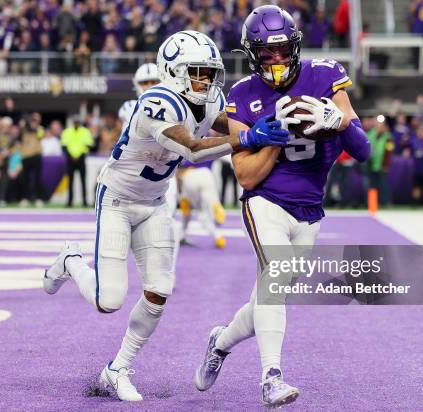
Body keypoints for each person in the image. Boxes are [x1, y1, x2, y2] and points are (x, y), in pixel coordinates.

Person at [43, 30, 289, 402]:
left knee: (159, 292)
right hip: (118, 201)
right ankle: (71, 260)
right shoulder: (155, 102)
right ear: (174, 71)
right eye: (197, 72)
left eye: (210, 73)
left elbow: (228, 125)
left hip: (155, 203)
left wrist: (270, 123)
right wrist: (249, 138)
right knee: (108, 300)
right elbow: (192, 149)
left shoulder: (208, 100)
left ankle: (117, 369)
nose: (205, 81)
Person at [193, 6, 370, 408]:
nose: (276, 60)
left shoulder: (325, 75)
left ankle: (219, 342)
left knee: (267, 298)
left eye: (283, 50)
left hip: (309, 210)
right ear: (252, 54)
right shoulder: (241, 95)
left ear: (296, 46)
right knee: (275, 277)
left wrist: (340, 122)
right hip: (266, 202)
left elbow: (362, 150)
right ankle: (271, 377)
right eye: (266, 53)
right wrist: (271, 137)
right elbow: (247, 177)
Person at [177, 163, 226, 248]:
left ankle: (182, 235)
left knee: (194, 211)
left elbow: (178, 169)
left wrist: (180, 189)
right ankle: (217, 214)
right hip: (206, 174)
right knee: (212, 205)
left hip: (189, 175)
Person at [61, 115, 93, 207]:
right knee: (70, 181)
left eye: (77, 122)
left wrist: (79, 155)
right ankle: (69, 202)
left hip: (81, 158)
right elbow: (64, 145)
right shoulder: (67, 131)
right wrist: (71, 155)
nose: (76, 123)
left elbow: (88, 145)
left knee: (83, 180)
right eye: (75, 122)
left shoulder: (85, 131)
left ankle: (84, 201)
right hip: (70, 159)